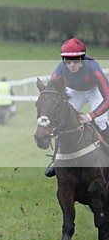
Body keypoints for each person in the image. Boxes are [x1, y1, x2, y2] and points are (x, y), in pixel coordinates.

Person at [43, 37, 109, 177]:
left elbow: (108, 98)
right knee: (62, 120)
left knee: (100, 121)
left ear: (83, 59)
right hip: (74, 93)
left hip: (94, 92)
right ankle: (56, 161)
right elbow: (50, 91)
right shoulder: (60, 69)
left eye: (76, 61)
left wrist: (90, 116)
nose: (71, 65)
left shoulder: (93, 67)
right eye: (68, 61)